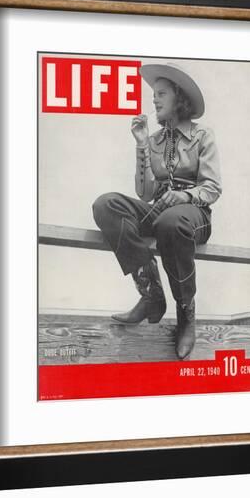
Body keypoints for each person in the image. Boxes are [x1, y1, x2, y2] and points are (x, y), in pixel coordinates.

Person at [92, 62, 222, 360]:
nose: (154, 100)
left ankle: (186, 313)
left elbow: (212, 189)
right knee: (106, 204)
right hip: (159, 210)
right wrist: (140, 145)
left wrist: (183, 195)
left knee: (170, 222)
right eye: (154, 95)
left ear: (179, 99)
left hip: (193, 214)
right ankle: (151, 293)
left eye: (161, 94)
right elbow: (146, 193)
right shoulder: (154, 141)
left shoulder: (203, 135)